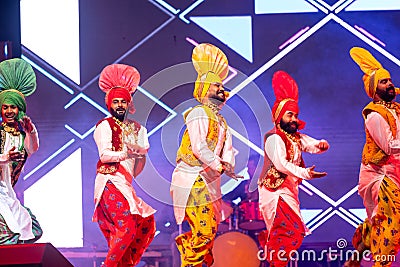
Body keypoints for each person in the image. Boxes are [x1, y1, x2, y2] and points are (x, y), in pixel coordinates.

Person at [170, 43, 242, 267]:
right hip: (192, 177)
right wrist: (221, 166)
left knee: (209, 232)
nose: (220, 89)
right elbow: (199, 147)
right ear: (203, 90)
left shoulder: (222, 121)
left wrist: (228, 165)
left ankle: (186, 246)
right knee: (205, 231)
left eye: (222, 86)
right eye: (215, 86)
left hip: (210, 181)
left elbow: (227, 149)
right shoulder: (198, 113)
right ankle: (188, 262)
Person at [257, 70, 329, 267]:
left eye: (296, 115)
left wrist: (321, 145)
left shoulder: (295, 136)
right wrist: (306, 173)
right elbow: (281, 164)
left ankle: (273, 257)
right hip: (274, 191)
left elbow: (310, 144)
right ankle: (274, 259)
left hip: (289, 190)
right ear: (279, 116)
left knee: (291, 234)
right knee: (292, 230)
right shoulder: (273, 137)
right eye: (290, 115)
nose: (294, 119)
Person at [92, 63, 156, 267]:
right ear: (110, 105)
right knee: (126, 228)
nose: (120, 105)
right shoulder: (104, 125)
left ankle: (125, 265)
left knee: (147, 225)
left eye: (123, 102)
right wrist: (126, 152)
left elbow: (139, 162)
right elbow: (104, 155)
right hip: (109, 181)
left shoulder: (138, 129)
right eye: (116, 102)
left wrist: (139, 155)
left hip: (125, 184)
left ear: (129, 105)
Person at [345, 47, 400, 267]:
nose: (389, 84)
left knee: (381, 219)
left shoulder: (396, 109)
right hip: (380, 177)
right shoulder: (374, 113)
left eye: (389, 80)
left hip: (395, 173)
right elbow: (388, 146)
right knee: (390, 223)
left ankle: (357, 255)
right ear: (373, 89)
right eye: (383, 82)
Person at [0, 58, 42, 244]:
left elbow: (33, 149)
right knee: (9, 234)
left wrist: (30, 131)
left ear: (20, 109)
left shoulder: (22, 134)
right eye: (5, 107)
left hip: (7, 192)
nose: (9, 111)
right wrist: (5, 158)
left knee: (29, 230)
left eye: (13, 107)